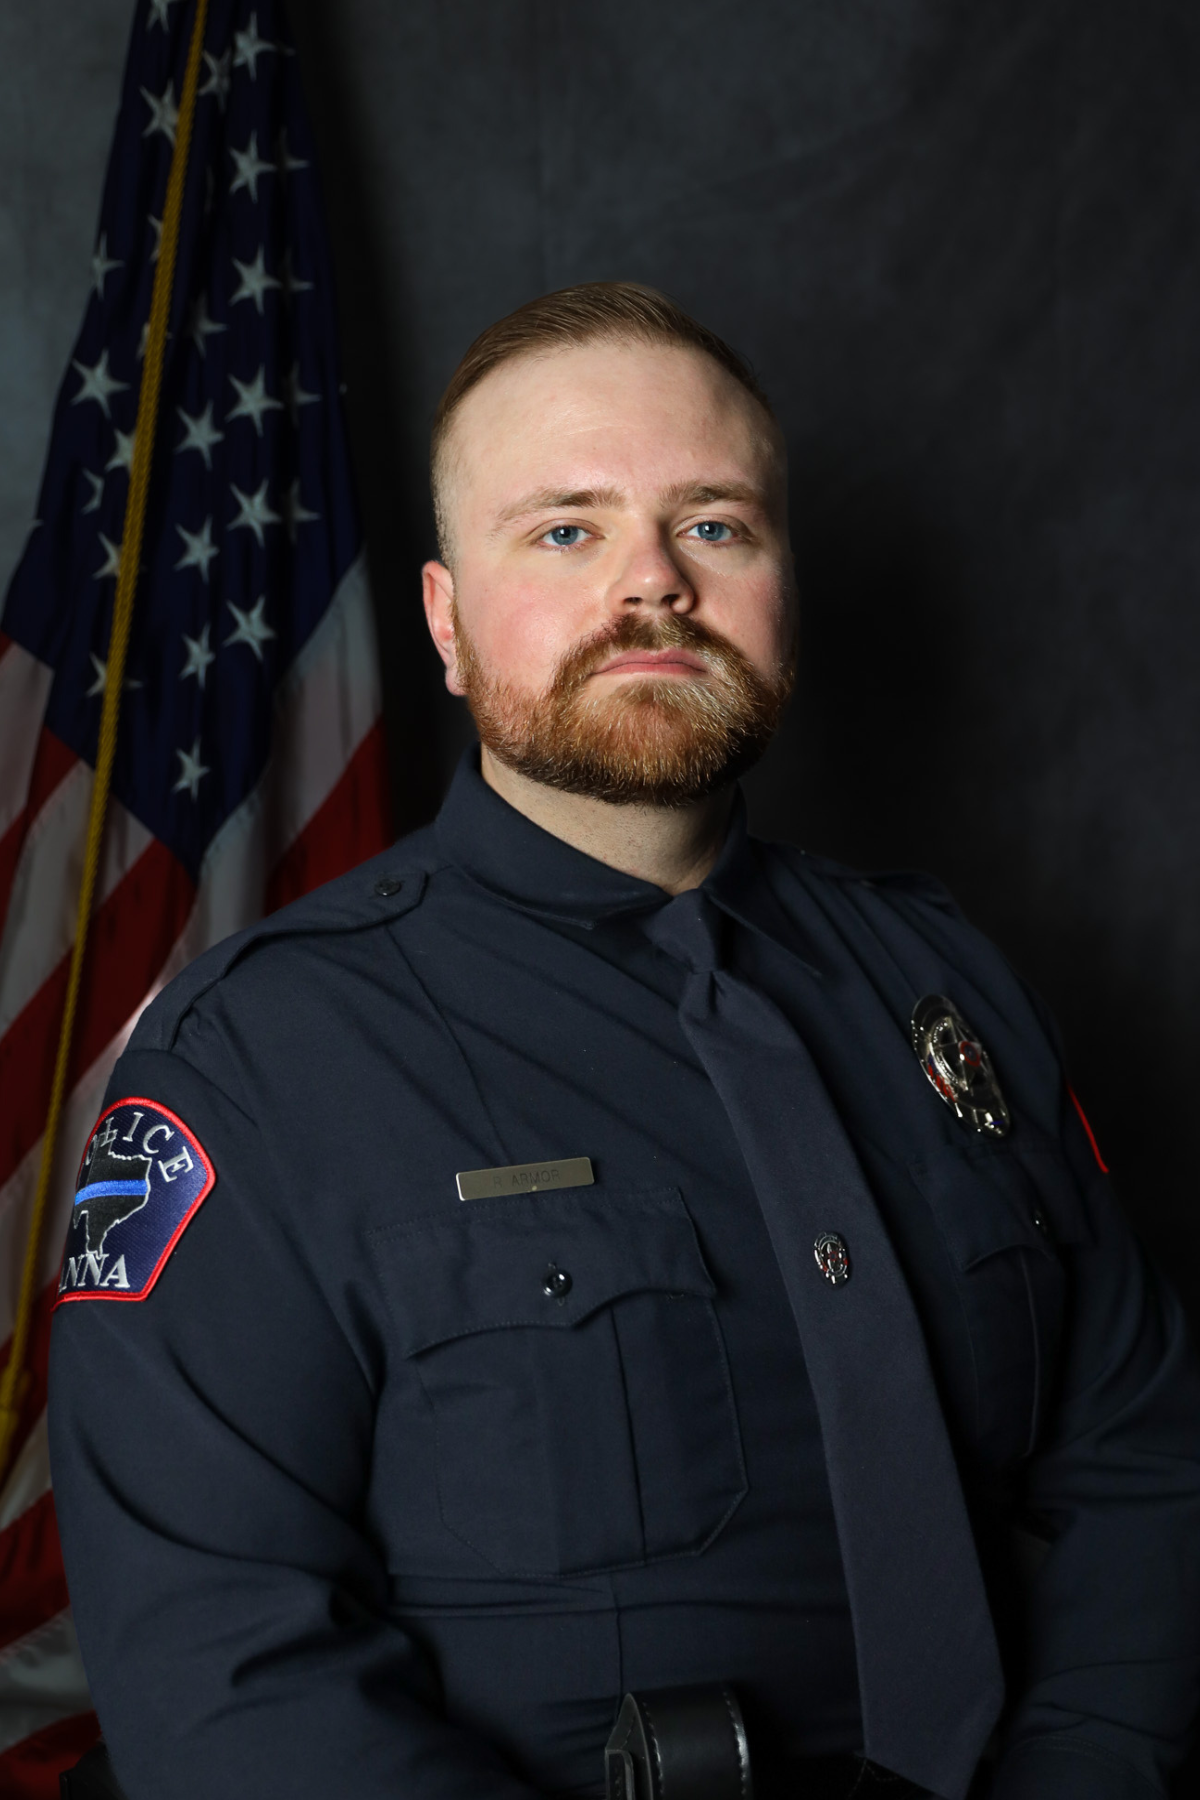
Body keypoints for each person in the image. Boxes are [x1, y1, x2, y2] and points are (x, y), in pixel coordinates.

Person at [49, 283, 1200, 1800]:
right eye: (568, 530)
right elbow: (225, 1675)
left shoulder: (948, 982)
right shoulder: (253, 1069)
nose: (652, 583)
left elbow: (1149, 1463)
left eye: (715, 525)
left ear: (783, 585)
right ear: (450, 627)